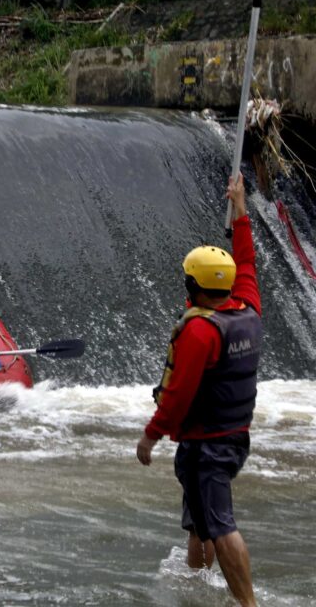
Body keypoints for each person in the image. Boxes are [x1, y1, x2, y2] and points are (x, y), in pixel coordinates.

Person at [136, 174, 260, 607]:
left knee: (220, 524)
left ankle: (247, 603)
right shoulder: (247, 307)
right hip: (233, 436)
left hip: (207, 445)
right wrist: (240, 209)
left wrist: (150, 435)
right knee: (199, 522)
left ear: (192, 286)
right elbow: (246, 263)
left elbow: (178, 395)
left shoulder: (200, 332)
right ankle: (196, 590)